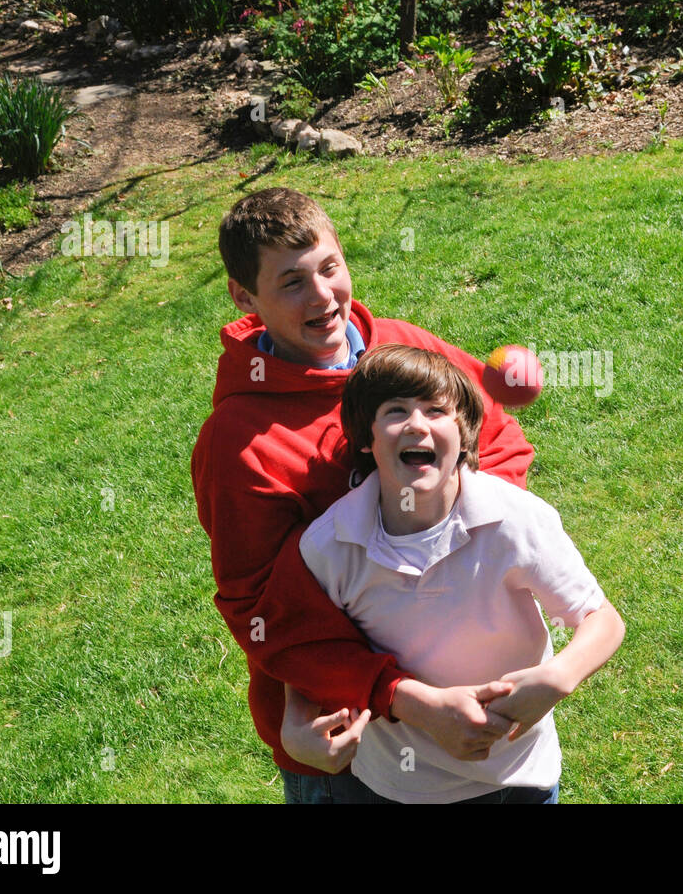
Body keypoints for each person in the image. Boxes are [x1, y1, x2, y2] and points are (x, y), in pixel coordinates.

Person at [190, 187, 535, 802]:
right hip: (347, 738)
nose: (324, 298)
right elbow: (261, 610)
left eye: (329, 268)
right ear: (245, 297)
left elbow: (500, 438)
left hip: (467, 688)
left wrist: (456, 524)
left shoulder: (404, 348)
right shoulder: (239, 445)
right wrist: (397, 695)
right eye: (291, 283)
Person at [298, 344, 625, 803]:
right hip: (397, 786)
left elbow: (601, 618)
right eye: (396, 410)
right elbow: (310, 650)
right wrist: (297, 720)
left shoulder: (515, 520)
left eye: (436, 410)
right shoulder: (330, 544)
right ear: (366, 438)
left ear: (466, 435)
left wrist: (559, 676)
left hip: (519, 775)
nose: (417, 424)